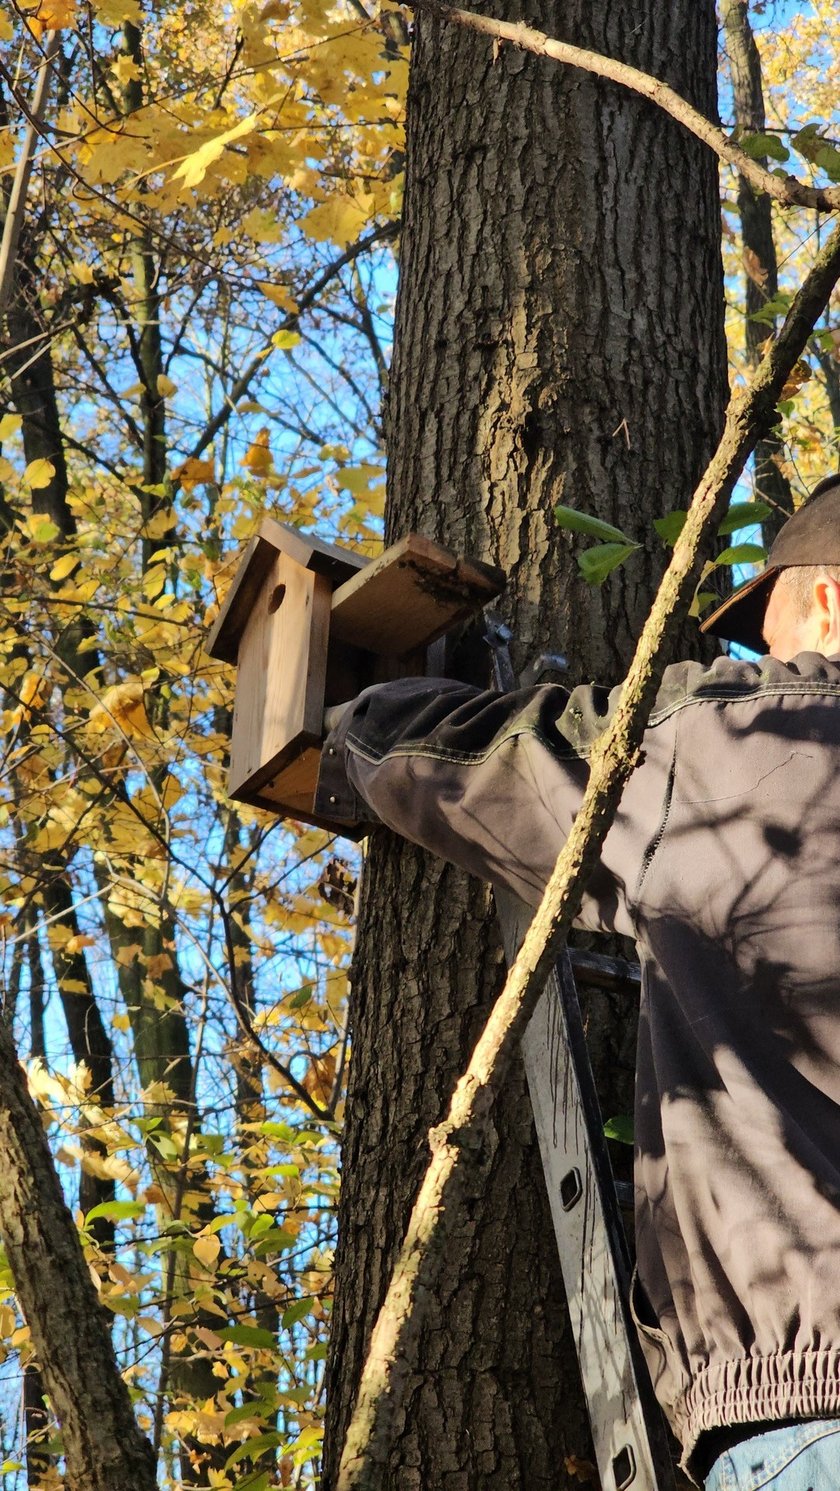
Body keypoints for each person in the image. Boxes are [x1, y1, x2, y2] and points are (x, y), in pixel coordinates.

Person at [315, 475, 840, 1490]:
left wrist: (356, 724)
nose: (762, 664)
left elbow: (467, 760)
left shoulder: (729, 741)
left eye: (769, 630)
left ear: (827, 599)